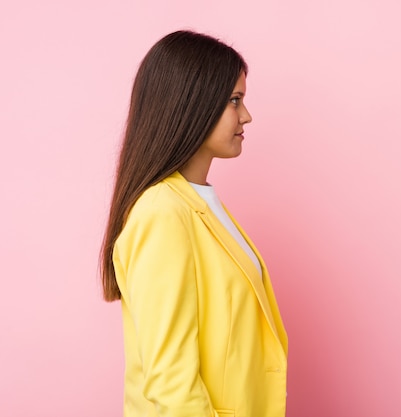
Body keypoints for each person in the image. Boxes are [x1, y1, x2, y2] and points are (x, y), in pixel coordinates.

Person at [100, 30, 288, 417]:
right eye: (235, 101)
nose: (247, 116)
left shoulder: (199, 203)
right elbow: (172, 381)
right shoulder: (162, 213)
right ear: (193, 104)